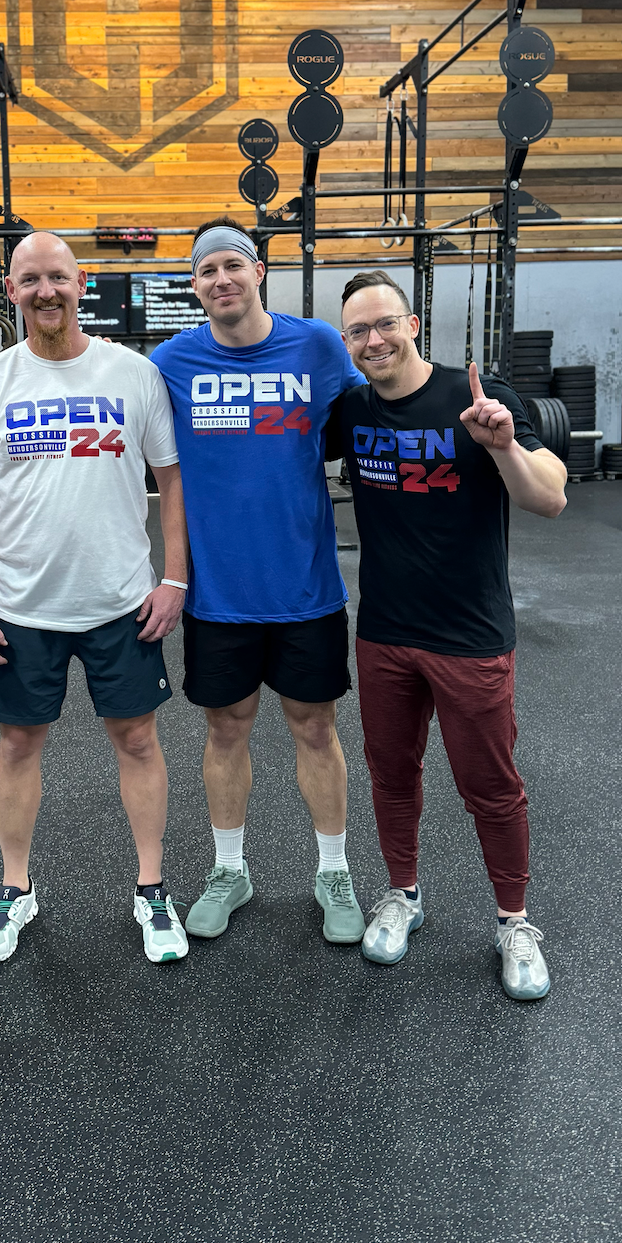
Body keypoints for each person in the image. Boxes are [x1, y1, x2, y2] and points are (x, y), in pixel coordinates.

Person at [0, 231, 190, 965]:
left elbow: (171, 480)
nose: (45, 291)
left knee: (138, 741)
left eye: (57, 277)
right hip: (22, 609)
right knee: (18, 744)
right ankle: (15, 889)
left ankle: (151, 889)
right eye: (29, 280)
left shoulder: (133, 374)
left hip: (122, 602)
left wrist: (175, 577)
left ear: (80, 283)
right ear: (11, 291)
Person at [336, 271, 567, 1000]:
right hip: (385, 632)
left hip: (470, 637)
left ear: (411, 324)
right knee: (392, 776)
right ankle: (401, 895)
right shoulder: (350, 410)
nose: (373, 341)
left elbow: (550, 497)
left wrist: (502, 447)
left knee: (490, 787)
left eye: (384, 324)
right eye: (357, 332)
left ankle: (514, 922)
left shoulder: (476, 396)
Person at [150, 216, 366, 944]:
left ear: (258, 271)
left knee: (315, 727)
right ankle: (230, 869)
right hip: (219, 595)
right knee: (225, 728)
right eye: (206, 271)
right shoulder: (171, 363)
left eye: (232, 266)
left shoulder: (317, 345)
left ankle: (333, 870)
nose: (221, 281)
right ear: (195, 286)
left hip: (305, 588)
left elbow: (382, 408)